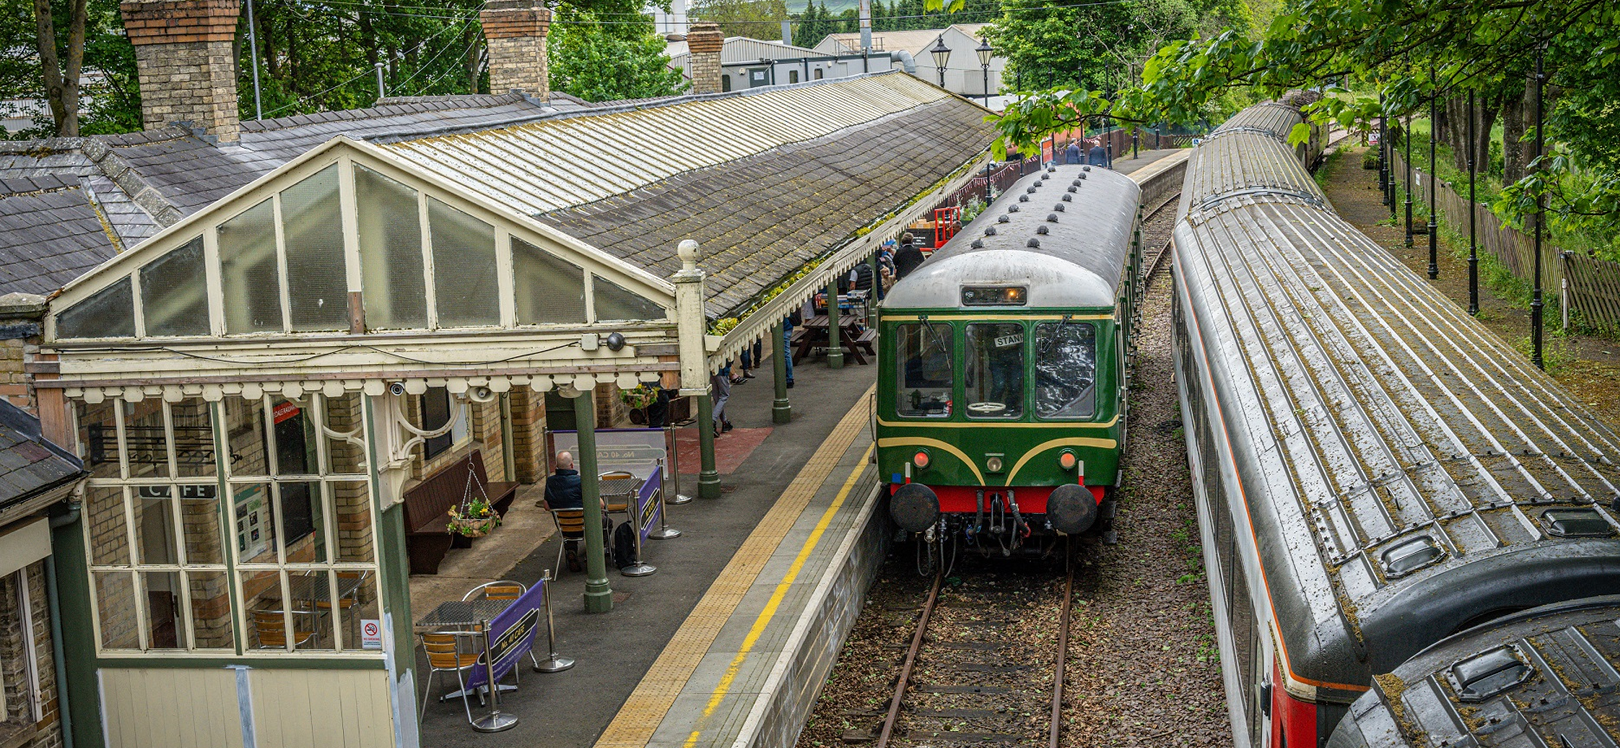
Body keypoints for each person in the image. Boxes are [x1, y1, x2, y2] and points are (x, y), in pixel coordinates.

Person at [544, 451, 585, 570]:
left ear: (556, 467)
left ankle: (571, 551)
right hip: (584, 527)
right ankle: (599, 552)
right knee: (605, 521)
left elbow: (546, 506)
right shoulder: (580, 481)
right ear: (572, 465)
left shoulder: (550, 482)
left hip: (564, 528)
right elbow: (601, 505)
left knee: (569, 524)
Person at [711, 363, 733, 437]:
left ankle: (724, 421)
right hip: (722, 370)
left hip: (711, 370)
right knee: (724, 396)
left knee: (717, 398)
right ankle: (713, 420)